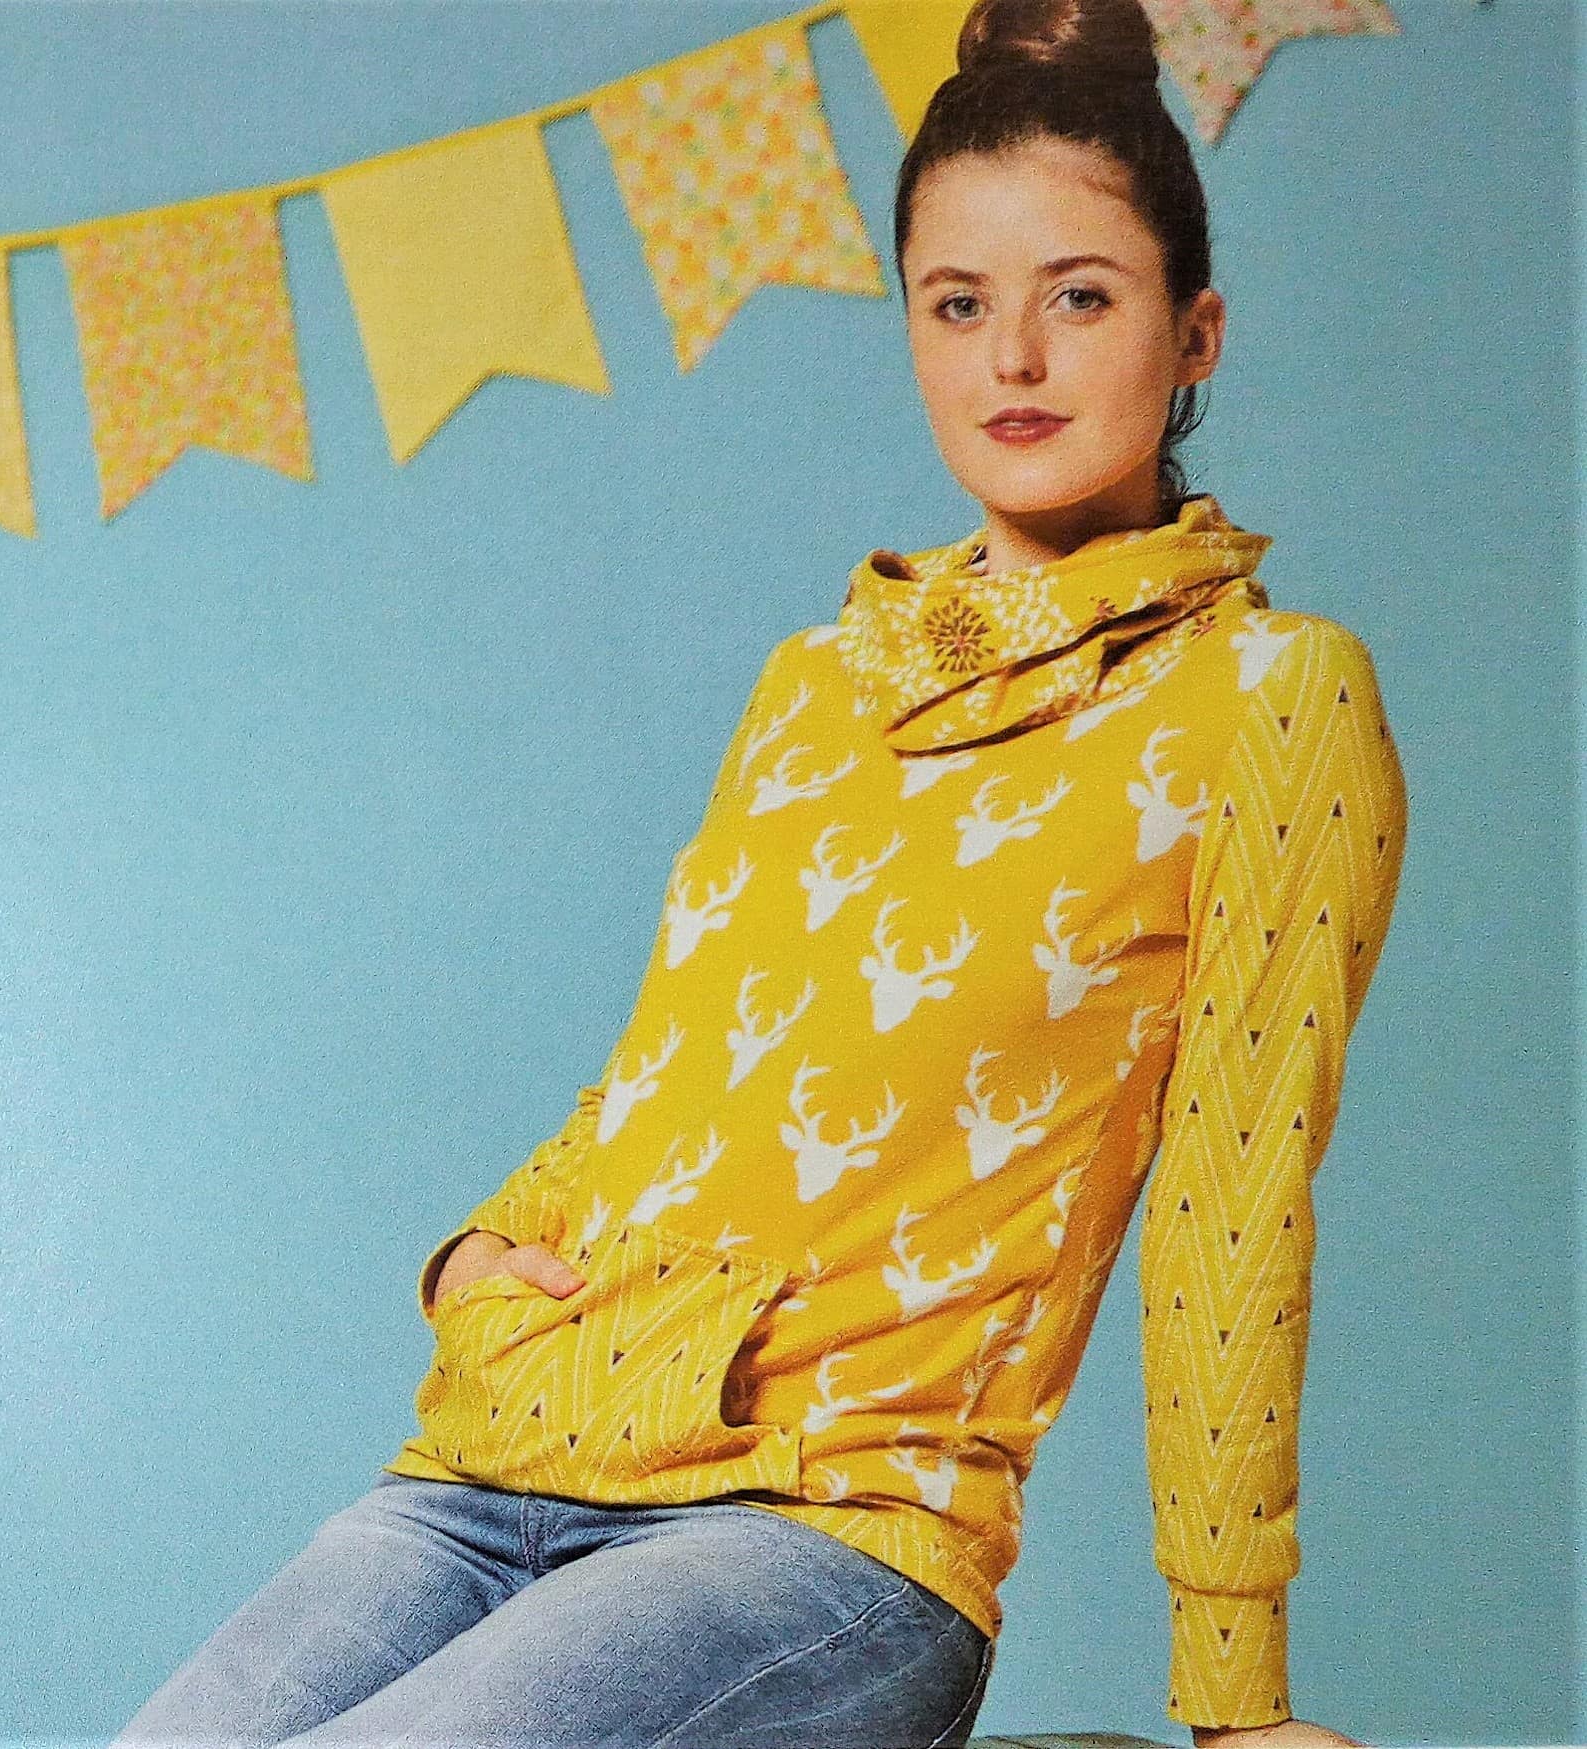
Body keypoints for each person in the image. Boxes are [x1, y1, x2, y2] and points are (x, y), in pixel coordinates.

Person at [111, 0, 1408, 1744]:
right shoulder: (818, 678)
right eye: (958, 304)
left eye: (1081, 297)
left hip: (824, 1531)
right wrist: (492, 1241)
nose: (1014, 359)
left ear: (1195, 333)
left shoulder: (1265, 697)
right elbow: (676, 1063)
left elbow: (1229, 1214)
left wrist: (1235, 1696)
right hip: (502, 1453)